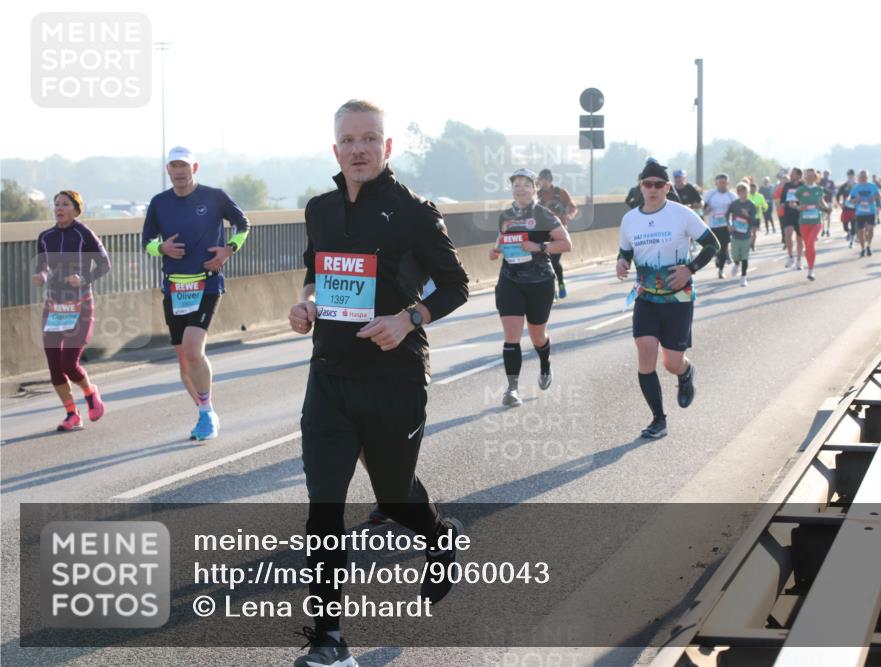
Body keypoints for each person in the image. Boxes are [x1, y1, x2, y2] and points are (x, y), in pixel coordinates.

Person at [287, 99, 469, 667]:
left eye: (369, 139)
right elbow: (317, 273)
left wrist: (409, 318)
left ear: (386, 147)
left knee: (393, 496)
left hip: (394, 379)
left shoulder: (414, 211)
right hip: (330, 378)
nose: (358, 149)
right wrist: (307, 304)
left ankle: (439, 536)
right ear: (335, 148)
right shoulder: (319, 208)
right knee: (324, 511)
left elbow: (457, 285)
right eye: (348, 140)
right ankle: (329, 638)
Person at [142, 146, 250, 441]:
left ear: (195, 168)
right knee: (184, 360)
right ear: (168, 170)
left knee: (193, 349)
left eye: (184, 166)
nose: (179, 171)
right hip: (175, 287)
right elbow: (147, 242)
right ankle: (205, 411)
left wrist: (229, 249)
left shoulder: (214, 196)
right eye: (174, 166)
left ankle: (206, 414)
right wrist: (162, 248)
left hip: (207, 282)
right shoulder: (159, 203)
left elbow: (243, 225)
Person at [617, 159, 719, 439]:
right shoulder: (630, 219)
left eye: (658, 184)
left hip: (678, 299)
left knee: (671, 362)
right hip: (646, 297)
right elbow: (625, 251)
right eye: (647, 184)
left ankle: (685, 373)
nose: (652, 189)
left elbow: (713, 244)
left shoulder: (682, 214)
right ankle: (658, 419)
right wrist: (622, 262)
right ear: (641, 186)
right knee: (645, 350)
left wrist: (689, 269)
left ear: (667, 187)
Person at [490, 168, 572, 407]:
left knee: (537, 335)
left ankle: (545, 365)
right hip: (510, 280)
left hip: (539, 282)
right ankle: (512, 389)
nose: (521, 189)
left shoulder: (544, 215)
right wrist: (496, 250)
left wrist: (539, 247)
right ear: (512, 189)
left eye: (526, 184)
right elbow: (503, 239)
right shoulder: (505, 215)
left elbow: (566, 243)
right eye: (516, 184)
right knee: (511, 337)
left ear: (535, 188)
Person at [32, 190, 111, 431]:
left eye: (65, 204)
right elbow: (43, 266)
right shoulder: (45, 237)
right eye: (56, 204)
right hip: (54, 307)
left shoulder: (83, 233)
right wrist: (41, 275)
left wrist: (83, 279)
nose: (59, 208)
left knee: (69, 363)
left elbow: (105, 264)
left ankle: (90, 393)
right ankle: (71, 414)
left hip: (80, 306)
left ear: (76, 209)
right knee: (54, 367)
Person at [536, 168, 578, 299]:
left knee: (554, 261)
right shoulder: (537, 195)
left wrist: (568, 216)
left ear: (550, 181)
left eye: (544, 180)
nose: (542, 183)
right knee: (543, 262)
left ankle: (560, 282)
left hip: (559, 232)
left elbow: (573, 207)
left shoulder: (560, 193)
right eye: (540, 181)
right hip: (542, 232)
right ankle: (550, 289)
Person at [793, 168, 831, 280]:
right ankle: (810, 268)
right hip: (804, 222)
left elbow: (822, 202)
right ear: (805, 177)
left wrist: (827, 207)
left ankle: (811, 270)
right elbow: (792, 203)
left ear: (815, 177)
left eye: (812, 175)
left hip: (816, 221)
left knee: (810, 243)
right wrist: (799, 207)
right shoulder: (800, 190)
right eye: (807, 175)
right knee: (808, 246)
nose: (809, 177)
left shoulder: (819, 189)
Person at [702, 173, 738, 278]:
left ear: (727, 183)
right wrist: (707, 210)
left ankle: (721, 270)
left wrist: (733, 224)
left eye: (724, 182)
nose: (722, 184)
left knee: (723, 248)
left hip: (725, 226)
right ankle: (717, 257)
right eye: (720, 182)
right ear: (716, 183)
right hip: (713, 225)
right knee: (715, 247)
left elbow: (736, 212)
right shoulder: (710, 194)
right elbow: (703, 210)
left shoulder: (732, 196)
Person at [728, 183, 758, 286]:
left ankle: (743, 277)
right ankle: (736, 264)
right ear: (738, 193)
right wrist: (729, 225)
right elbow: (727, 215)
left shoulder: (751, 205)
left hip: (746, 235)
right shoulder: (734, 204)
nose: (743, 194)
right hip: (735, 235)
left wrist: (748, 215)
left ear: (747, 192)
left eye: (745, 191)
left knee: (745, 256)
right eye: (741, 192)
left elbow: (754, 221)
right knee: (735, 256)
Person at [775, 167, 805, 269]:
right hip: (788, 213)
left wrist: (798, 204)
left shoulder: (802, 186)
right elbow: (783, 199)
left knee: (799, 239)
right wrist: (782, 204)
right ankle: (790, 256)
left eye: (793, 174)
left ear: (799, 176)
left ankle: (799, 260)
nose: (791, 175)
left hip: (799, 213)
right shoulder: (787, 185)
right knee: (788, 233)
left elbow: (805, 199)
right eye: (791, 174)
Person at [848, 169, 881, 257]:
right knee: (861, 231)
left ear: (867, 177)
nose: (863, 178)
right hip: (860, 213)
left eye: (865, 177)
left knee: (870, 229)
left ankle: (868, 246)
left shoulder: (872, 186)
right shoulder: (856, 187)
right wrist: (856, 200)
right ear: (858, 177)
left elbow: (879, 195)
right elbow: (849, 200)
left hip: (871, 211)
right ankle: (862, 249)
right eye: (861, 176)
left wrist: (874, 198)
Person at [837, 169, 858, 247]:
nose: (850, 177)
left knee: (853, 226)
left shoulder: (857, 185)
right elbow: (838, 195)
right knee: (845, 227)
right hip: (846, 208)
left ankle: (851, 242)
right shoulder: (844, 186)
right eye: (849, 176)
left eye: (851, 176)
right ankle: (848, 232)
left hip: (855, 209)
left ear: (854, 176)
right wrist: (839, 203)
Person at [748, 181, 768, 251]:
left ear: (756, 189)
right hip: (748, 217)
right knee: (749, 232)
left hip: (757, 217)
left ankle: (752, 245)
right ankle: (749, 243)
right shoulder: (747, 196)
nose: (753, 190)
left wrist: (764, 208)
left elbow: (765, 205)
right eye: (751, 188)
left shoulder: (760, 196)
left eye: (754, 188)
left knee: (754, 232)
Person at [819, 170, 836, 237]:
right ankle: (823, 229)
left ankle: (828, 230)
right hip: (822, 201)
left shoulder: (831, 182)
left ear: (829, 174)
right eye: (825, 173)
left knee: (829, 215)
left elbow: (833, 192)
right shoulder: (821, 181)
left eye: (827, 174)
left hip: (829, 201)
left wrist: (827, 189)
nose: (826, 175)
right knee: (822, 216)